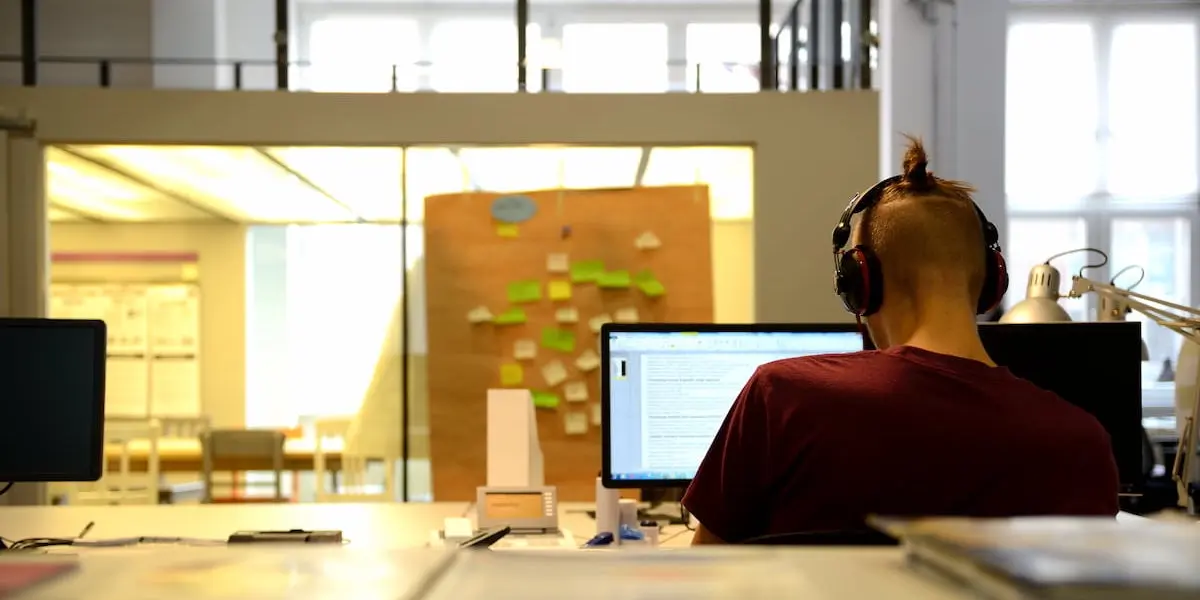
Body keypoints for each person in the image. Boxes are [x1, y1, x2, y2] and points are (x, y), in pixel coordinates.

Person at [682, 139, 1120, 545]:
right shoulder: (1081, 442)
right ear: (992, 282)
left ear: (860, 283)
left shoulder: (782, 396)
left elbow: (710, 575)